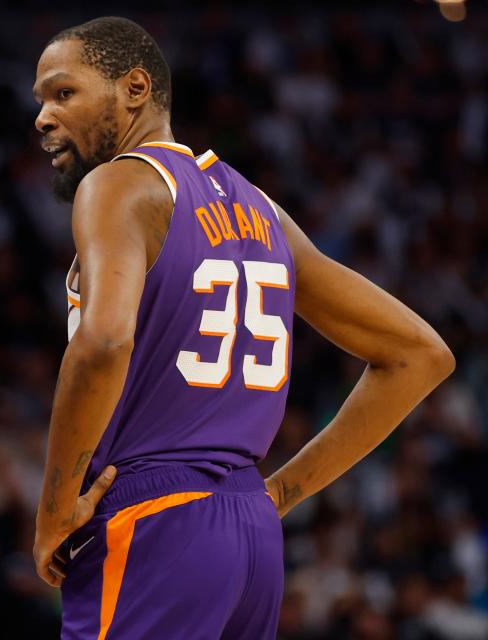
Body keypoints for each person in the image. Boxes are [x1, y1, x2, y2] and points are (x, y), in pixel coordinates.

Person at [30, 17, 454, 640]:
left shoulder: (117, 184)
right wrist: (278, 495)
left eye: (63, 93)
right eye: (40, 99)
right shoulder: (262, 209)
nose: (42, 116)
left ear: (135, 89)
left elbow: (104, 342)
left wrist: (53, 511)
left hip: (151, 520)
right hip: (252, 536)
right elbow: (420, 353)